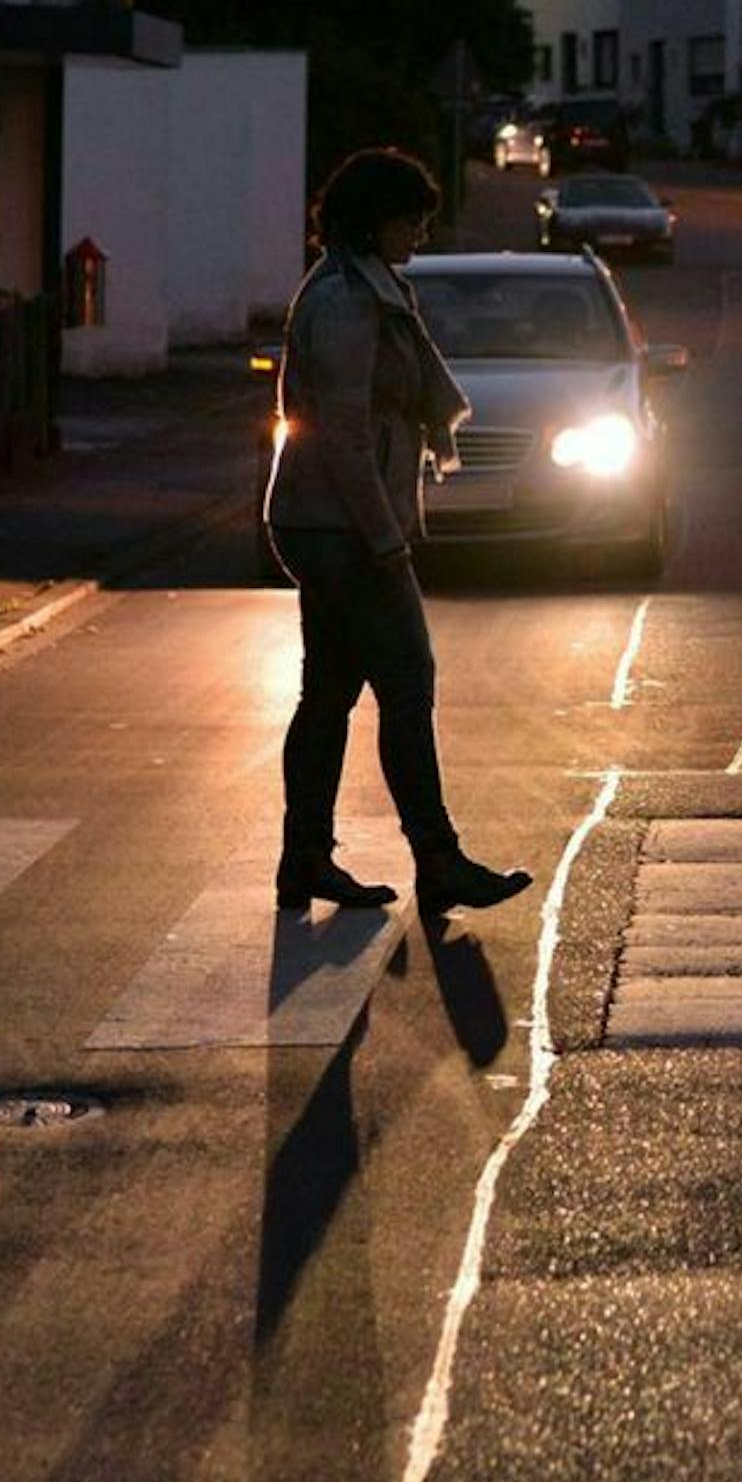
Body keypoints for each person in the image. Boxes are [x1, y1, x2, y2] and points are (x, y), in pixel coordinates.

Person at [264, 149, 532, 917]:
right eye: (410, 216)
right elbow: (344, 433)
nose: (420, 228)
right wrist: (385, 539)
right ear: (372, 218)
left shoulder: (363, 286)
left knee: (330, 693)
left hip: (322, 517)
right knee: (407, 683)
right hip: (340, 522)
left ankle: (305, 860)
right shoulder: (348, 301)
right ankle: (438, 859)